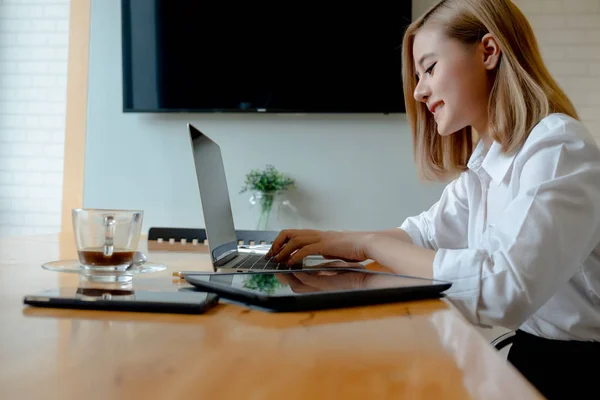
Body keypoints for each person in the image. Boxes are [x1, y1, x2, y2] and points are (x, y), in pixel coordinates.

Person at [265, 0, 600, 398]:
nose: (419, 90)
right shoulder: (488, 161)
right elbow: (425, 233)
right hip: (534, 358)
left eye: (429, 68)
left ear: (488, 52)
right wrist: (336, 241)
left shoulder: (558, 148)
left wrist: (368, 244)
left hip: (581, 372)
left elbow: (502, 290)